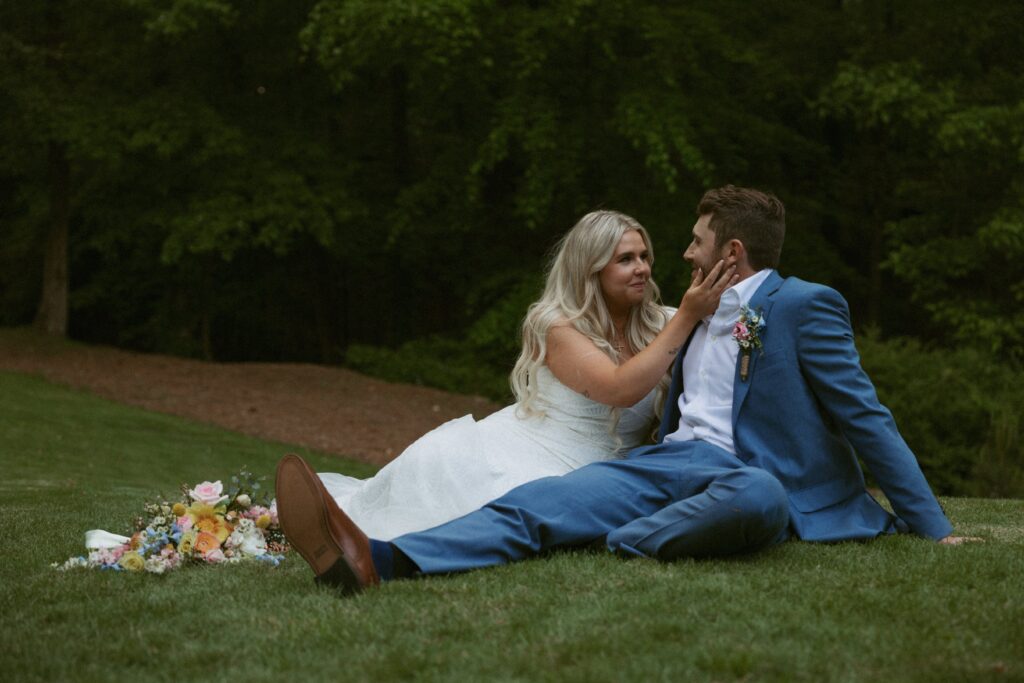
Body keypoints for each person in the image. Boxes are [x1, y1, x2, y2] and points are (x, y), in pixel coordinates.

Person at [275, 185, 967, 595]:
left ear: (731, 253)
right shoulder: (685, 315)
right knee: (536, 504)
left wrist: (934, 525)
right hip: (664, 464)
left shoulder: (804, 305)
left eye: (696, 242)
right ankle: (379, 559)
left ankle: (626, 541)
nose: (683, 254)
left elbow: (866, 415)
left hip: (748, 477)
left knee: (761, 493)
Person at [298, 210, 736, 546]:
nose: (642, 268)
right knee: (446, 510)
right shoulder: (558, 326)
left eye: (644, 257)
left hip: (607, 473)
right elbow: (620, 389)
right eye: (625, 260)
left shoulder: (663, 322)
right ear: (591, 269)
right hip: (526, 451)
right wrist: (688, 316)